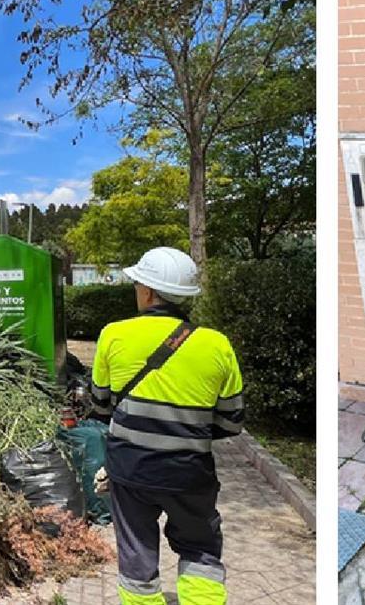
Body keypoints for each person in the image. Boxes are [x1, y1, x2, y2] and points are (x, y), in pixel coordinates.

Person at [89, 247, 243, 605]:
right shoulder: (217, 345)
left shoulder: (113, 335)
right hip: (190, 473)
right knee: (201, 549)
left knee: (137, 553)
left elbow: (99, 406)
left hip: (130, 470)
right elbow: (231, 422)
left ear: (148, 292)